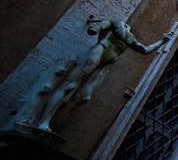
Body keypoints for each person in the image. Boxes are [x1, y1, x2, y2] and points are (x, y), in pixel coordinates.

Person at [19, 17, 169, 131]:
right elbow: (98, 26)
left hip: (104, 64)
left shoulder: (130, 38)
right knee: (70, 85)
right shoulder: (115, 22)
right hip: (97, 53)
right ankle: (42, 121)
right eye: (126, 25)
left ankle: (52, 122)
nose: (128, 26)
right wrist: (95, 27)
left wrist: (162, 41)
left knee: (84, 96)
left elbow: (145, 50)